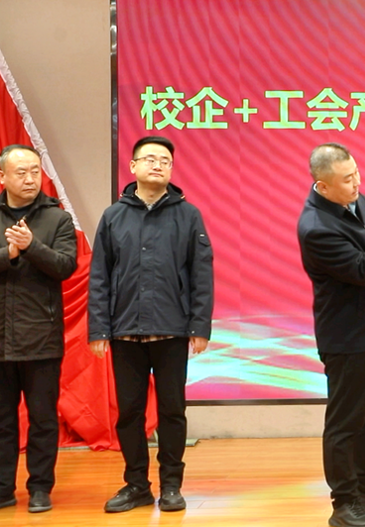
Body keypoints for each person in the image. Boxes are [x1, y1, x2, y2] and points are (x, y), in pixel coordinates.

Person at [88, 135, 213, 513]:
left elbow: (201, 274)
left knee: (172, 411)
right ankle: (137, 484)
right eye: (150, 159)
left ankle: (171, 485)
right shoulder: (113, 216)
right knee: (129, 413)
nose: (158, 165)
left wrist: (199, 326)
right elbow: (100, 276)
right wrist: (99, 329)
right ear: (133, 166)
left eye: (165, 161)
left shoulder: (188, 215)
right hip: (124, 331)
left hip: (172, 329)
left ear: (171, 170)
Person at [297, 143, 365, 527]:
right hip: (346, 339)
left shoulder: (351, 200)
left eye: (356, 173)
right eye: (347, 180)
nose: (357, 183)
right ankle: (343, 503)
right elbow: (364, 268)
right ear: (323, 186)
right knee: (345, 422)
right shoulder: (316, 228)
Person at [0, 145, 77, 514]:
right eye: (21, 172)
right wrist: (9, 254)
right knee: (2, 421)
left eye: (35, 171)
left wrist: (31, 246)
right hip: (0, 339)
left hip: (41, 338)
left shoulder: (57, 218)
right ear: (3, 177)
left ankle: (41, 488)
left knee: (43, 419)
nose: (30, 179)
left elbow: (65, 266)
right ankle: (3, 488)